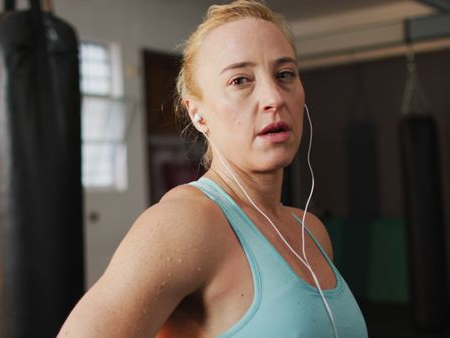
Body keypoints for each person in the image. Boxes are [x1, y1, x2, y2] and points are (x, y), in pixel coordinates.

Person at [59, 1, 367, 337]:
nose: (274, 98)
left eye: (284, 74)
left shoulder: (311, 231)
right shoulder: (186, 224)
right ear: (197, 113)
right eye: (239, 80)